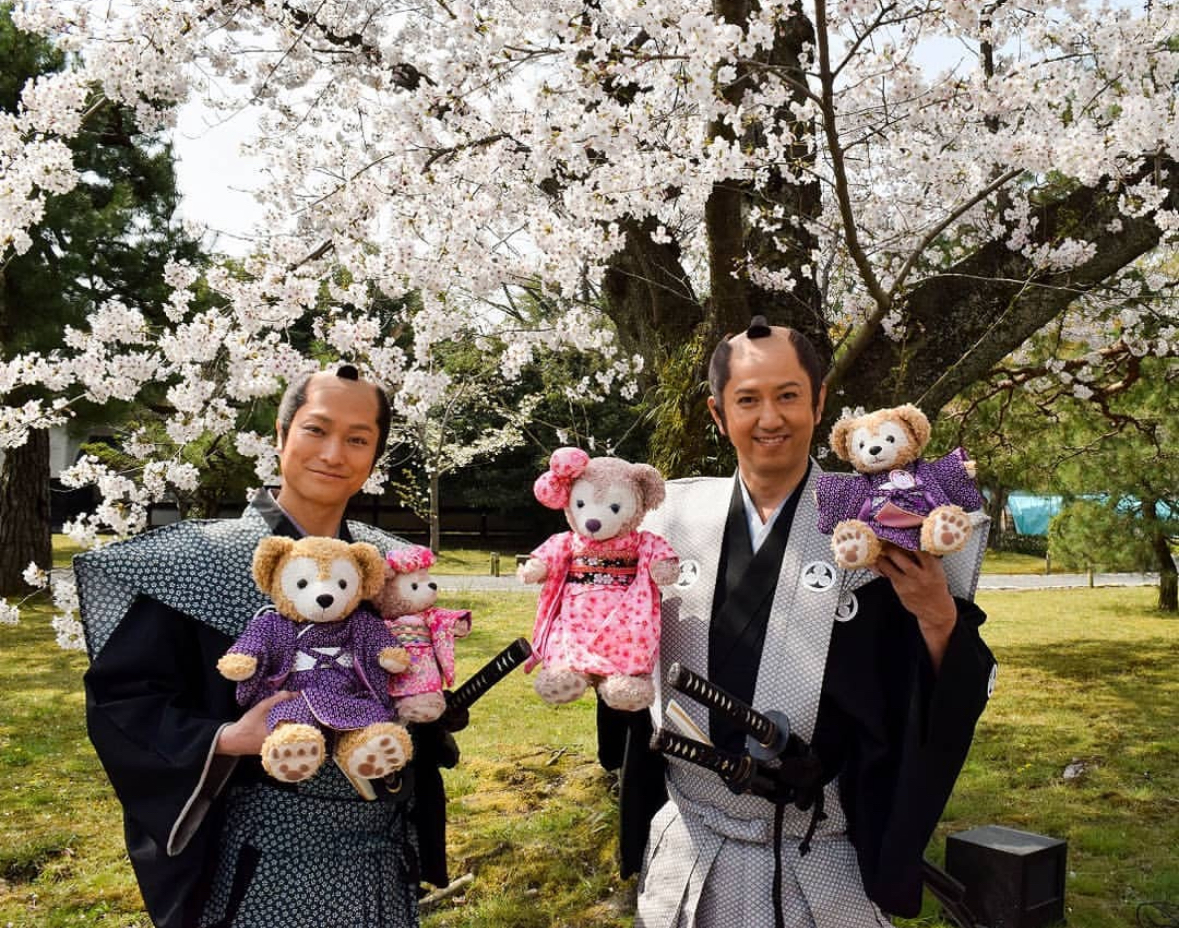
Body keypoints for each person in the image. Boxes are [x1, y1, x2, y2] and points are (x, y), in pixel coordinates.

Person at [600, 318, 997, 927]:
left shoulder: (884, 520)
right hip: (689, 842)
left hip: (825, 852)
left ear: (819, 401)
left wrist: (937, 614)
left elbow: (950, 695)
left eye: (788, 395)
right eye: (748, 400)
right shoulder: (665, 521)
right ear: (717, 413)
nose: (770, 418)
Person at [79, 366, 456, 928]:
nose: (333, 453)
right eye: (316, 430)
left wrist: (431, 706)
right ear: (280, 435)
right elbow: (123, 702)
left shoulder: (385, 568)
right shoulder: (194, 563)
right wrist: (227, 739)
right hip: (258, 853)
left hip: (379, 855)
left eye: (357, 439)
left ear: (374, 456)